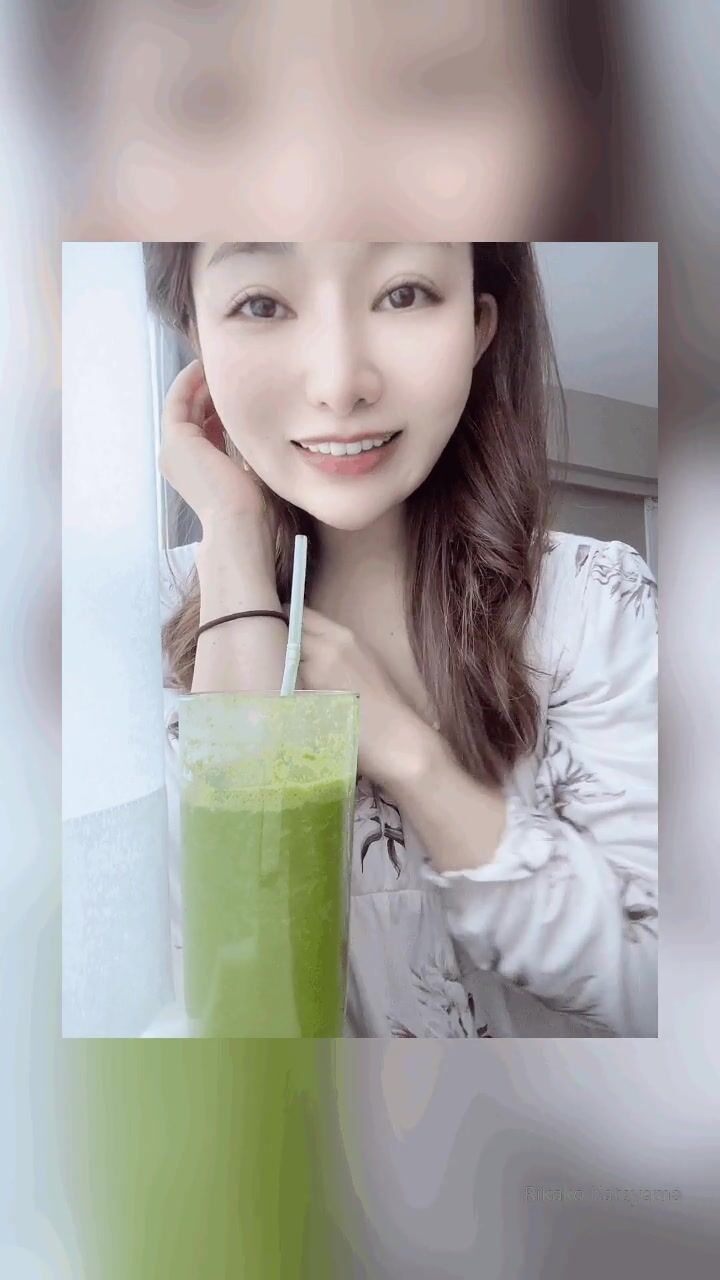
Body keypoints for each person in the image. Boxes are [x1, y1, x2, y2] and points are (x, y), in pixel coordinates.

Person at [145, 241, 658, 1038]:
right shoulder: (129, 618)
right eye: (261, 304)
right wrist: (234, 543)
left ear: (479, 324)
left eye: (405, 293)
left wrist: (408, 753)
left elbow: (660, 988)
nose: (340, 384)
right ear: (197, 336)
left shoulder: (595, 601)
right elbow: (239, 994)